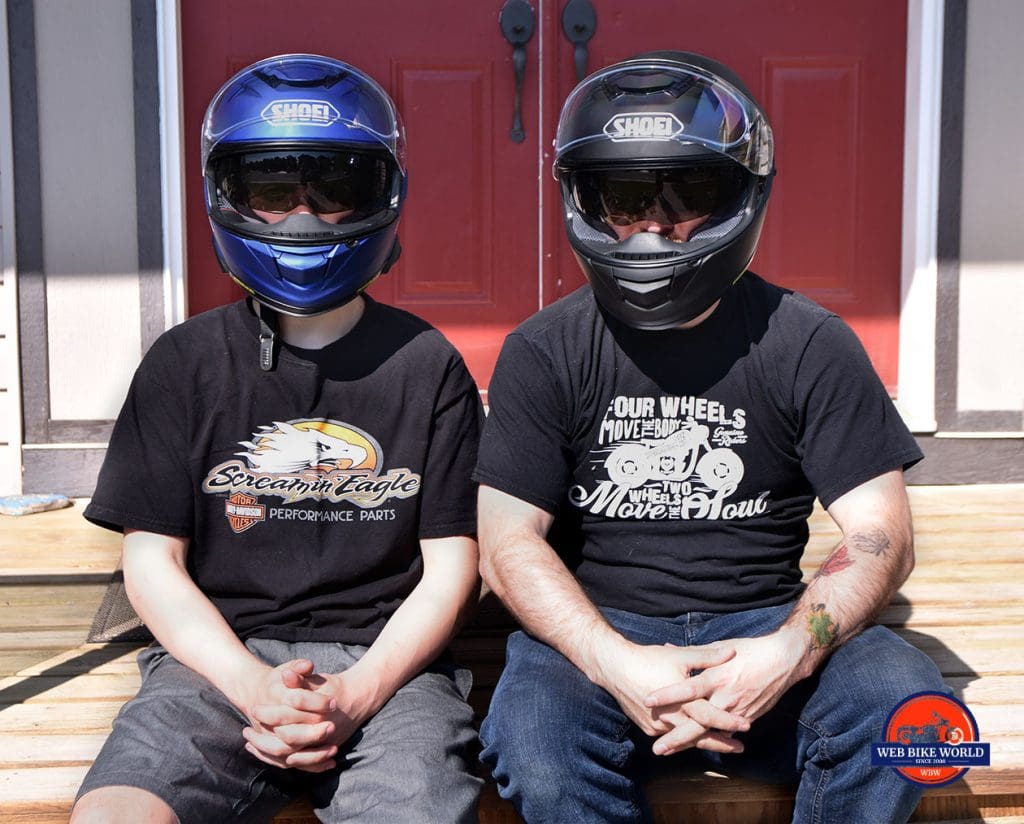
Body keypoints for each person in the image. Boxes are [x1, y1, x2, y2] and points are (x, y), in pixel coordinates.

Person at [474, 51, 947, 823]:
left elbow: (880, 532)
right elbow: (506, 542)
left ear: (741, 196)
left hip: (766, 621)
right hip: (601, 628)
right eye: (623, 197)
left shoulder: (807, 341)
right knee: (532, 746)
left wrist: (790, 653)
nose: (655, 223)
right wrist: (615, 662)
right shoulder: (544, 347)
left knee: (922, 728)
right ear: (584, 201)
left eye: (687, 191)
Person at [71, 54, 483, 824]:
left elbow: (453, 567)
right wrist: (249, 683)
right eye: (270, 190)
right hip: (214, 657)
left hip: (387, 667)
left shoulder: (427, 365)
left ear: (382, 195)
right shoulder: (185, 361)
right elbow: (150, 558)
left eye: (335, 190)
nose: (302, 215)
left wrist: (358, 694)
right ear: (226, 195)